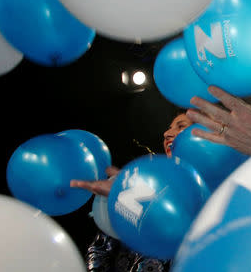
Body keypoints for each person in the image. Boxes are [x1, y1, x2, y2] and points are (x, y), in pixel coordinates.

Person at [71, 112, 193, 272]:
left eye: (181, 126)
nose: (167, 133)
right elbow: (100, 249)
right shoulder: (142, 180)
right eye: (169, 128)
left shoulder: (220, 191)